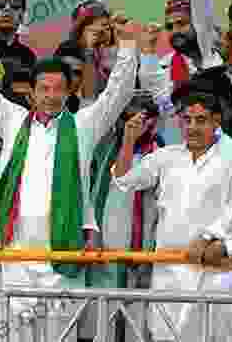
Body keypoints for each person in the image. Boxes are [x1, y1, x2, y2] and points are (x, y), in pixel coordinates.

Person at [0, 8, 140, 342]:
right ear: (32, 93)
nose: (51, 97)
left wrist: (127, 46)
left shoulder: (83, 126)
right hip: (16, 255)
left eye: (58, 90)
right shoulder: (12, 120)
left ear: (68, 92)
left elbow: (118, 94)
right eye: (44, 89)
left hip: (61, 259)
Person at [112, 89, 232, 342]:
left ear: (216, 121)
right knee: (163, 335)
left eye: (201, 120)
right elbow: (124, 179)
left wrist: (207, 237)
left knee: (207, 335)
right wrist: (128, 140)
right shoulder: (168, 156)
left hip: (210, 269)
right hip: (167, 269)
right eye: (186, 120)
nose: (192, 127)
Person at [85, 93, 164, 342]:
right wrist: (92, 237)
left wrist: (151, 254)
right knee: (103, 329)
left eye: (144, 119)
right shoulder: (107, 150)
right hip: (106, 251)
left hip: (143, 253)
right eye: (129, 117)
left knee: (136, 330)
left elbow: (160, 211)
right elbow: (95, 196)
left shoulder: (161, 154)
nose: (136, 124)